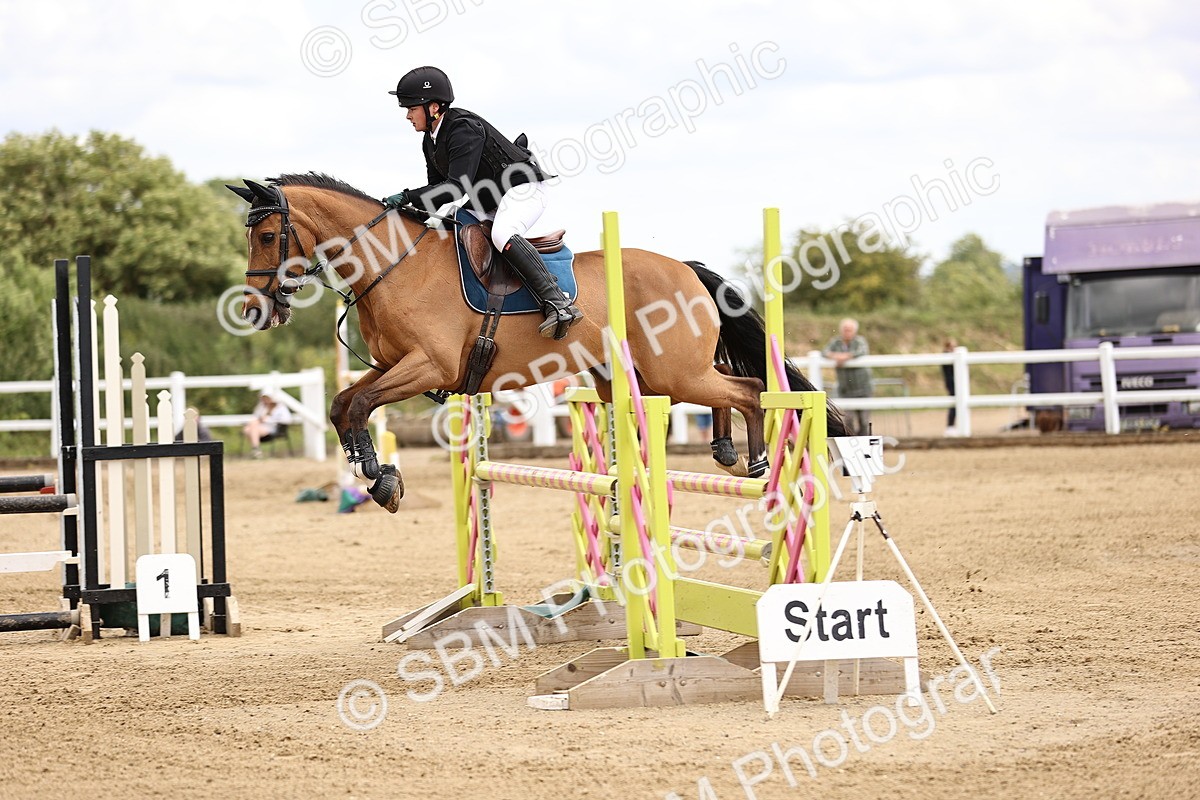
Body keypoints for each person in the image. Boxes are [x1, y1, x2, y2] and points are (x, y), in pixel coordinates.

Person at [382, 65, 583, 340]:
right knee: (452, 229)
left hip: (522, 187)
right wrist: (407, 212)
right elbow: (436, 191)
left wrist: (407, 196)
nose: (407, 115)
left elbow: (454, 188)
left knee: (502, 233)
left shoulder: (463, 129)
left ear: (433, 108)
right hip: (487, 197)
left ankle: (557, 302)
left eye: (411, 108)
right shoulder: (430, 141)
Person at [823, 318, 873, 435]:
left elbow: (861, 352)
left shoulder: (860, 342)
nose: (847, 332)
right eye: (845, 330)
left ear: (854, 331)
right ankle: (851, 441)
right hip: (846, 388)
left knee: (864, 420)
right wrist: (837, 356)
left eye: (849, 330)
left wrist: (842, 357)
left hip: (863, 387)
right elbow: (824, 352)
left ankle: (863, 442)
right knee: (848, 419)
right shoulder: (836, 342)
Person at [243, 392, 293, 458]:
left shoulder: (280, 407)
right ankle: (256, 450)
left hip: (274, 428)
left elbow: (287, 420)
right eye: (263, 398)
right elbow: (255, 417)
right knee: (248, 428)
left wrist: (268, 419)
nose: (265, 400)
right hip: (259, 428)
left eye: (267, 398)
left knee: (249, 429)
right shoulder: (261, 407)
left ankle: (256, 449)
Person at [941, 338, 958, 436]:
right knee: (954, 405)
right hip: (951, 383)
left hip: (953, 383)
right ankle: (950, 426)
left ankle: (951, 426)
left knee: (955, 405)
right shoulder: (946, 356)